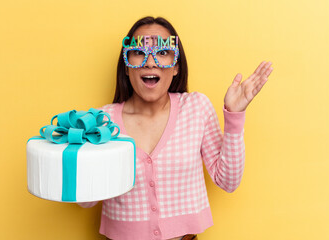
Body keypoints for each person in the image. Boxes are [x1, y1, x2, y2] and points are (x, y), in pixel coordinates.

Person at [78, 16, 273, 240]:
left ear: (176, 67)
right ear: (126, 66)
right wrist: (81, 151)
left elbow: (228, 181)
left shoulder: (196, 108)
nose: (150, 62)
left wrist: (234, 116)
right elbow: (85, 201)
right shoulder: (103, 121)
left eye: (162, 53)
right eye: (139, 52)